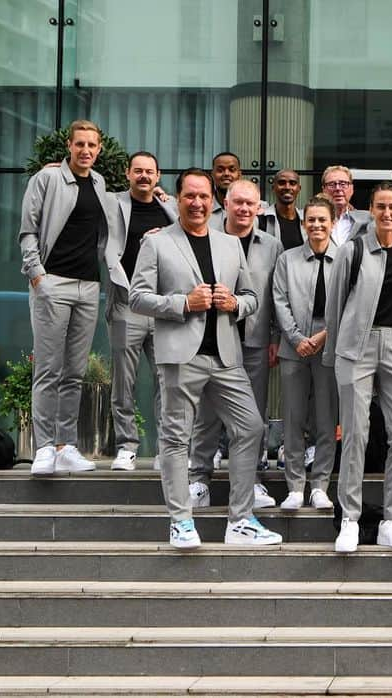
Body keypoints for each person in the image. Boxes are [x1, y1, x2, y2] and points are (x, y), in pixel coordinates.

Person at [129, 168, 281, 548]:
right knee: (176, 439)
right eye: (189, 196)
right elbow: (137, 297)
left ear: (214, 201)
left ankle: (241, 520)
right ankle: (181, 521)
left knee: (250, 427)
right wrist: (183, 303)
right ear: (177, 199)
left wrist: (236, 304)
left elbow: (251, 296)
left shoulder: (228, 244)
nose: (197, 203)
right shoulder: (158, 243)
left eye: (203, 196)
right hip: (182, 356)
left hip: (227, 356)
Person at [326, 182, 392, 553]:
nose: (387, 213)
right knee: (356, 433)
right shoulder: (353, 251)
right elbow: (335, 308)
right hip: (357, 346)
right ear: (370, 210)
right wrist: (336, 354)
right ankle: (350, 518)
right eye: (381, 207)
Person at [20, 119, 110, 476]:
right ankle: (43, 448)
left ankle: (66, 445)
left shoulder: (101, 183)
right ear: (69, 147)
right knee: (48, 369)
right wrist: (37, 274)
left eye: (92, 145)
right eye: (80, 144)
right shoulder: (46, 179)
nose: (86, 150)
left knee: (74, 371)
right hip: (52, 282)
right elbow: (28, 230)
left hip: (88, 287)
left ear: (99, 149)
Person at [188, 179, 282, 509]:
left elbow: (275, 295)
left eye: (250, 204)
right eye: (237, 202)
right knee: (208, 411)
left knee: (253, 412)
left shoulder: (271, 245)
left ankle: (252, 479)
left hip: (254, 340)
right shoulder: (205, 234)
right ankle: (199, 479)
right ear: (225, 203)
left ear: (259, 208)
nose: (243, 209)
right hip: (211, 337)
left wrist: (275, 338)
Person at [104, 151, 177, 471]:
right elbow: (82, 189)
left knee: (167, 381)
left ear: (158, 175)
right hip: (127, 304)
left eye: (150, 171)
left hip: (162, 306)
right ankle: (126, 446)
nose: (144, 176)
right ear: (128, 173)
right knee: (124, 381)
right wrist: (56, 168)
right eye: (138, 171)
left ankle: (166, 450)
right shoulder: (113, 203)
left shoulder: (170, 208)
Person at [272, 196, 340, 511]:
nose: (316, 225)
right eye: (310, 220)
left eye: (322, 220)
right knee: (294, 419)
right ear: (303, 224)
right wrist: (296, 337)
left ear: (333, 223)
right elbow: (279, 300)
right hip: (293, 347)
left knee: (326, 419)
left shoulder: (345, 258)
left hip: (330, 347)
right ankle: (295, 487)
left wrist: (325, 336)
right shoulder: (287, 259)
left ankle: (320, 486)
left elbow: (349, 304)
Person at [321, 165, 371, 246]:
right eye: (331, 184)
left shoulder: (368, 219)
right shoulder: (311, 220)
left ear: (352, 189)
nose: (337, 188)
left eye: (343, 183)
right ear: (323, 189)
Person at [260, 168, 304, 250]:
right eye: (282, 183)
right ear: (273, 188)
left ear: (299, 188)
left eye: (292, 183)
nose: (287, 187)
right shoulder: (261, 220)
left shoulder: (306, 221)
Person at [209, 152, 241, 227]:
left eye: (232, 170)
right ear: (212, 174)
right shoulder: (202, 208)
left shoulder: (257, 207)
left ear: (239, 175)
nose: (226, 174)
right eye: (220, 170)